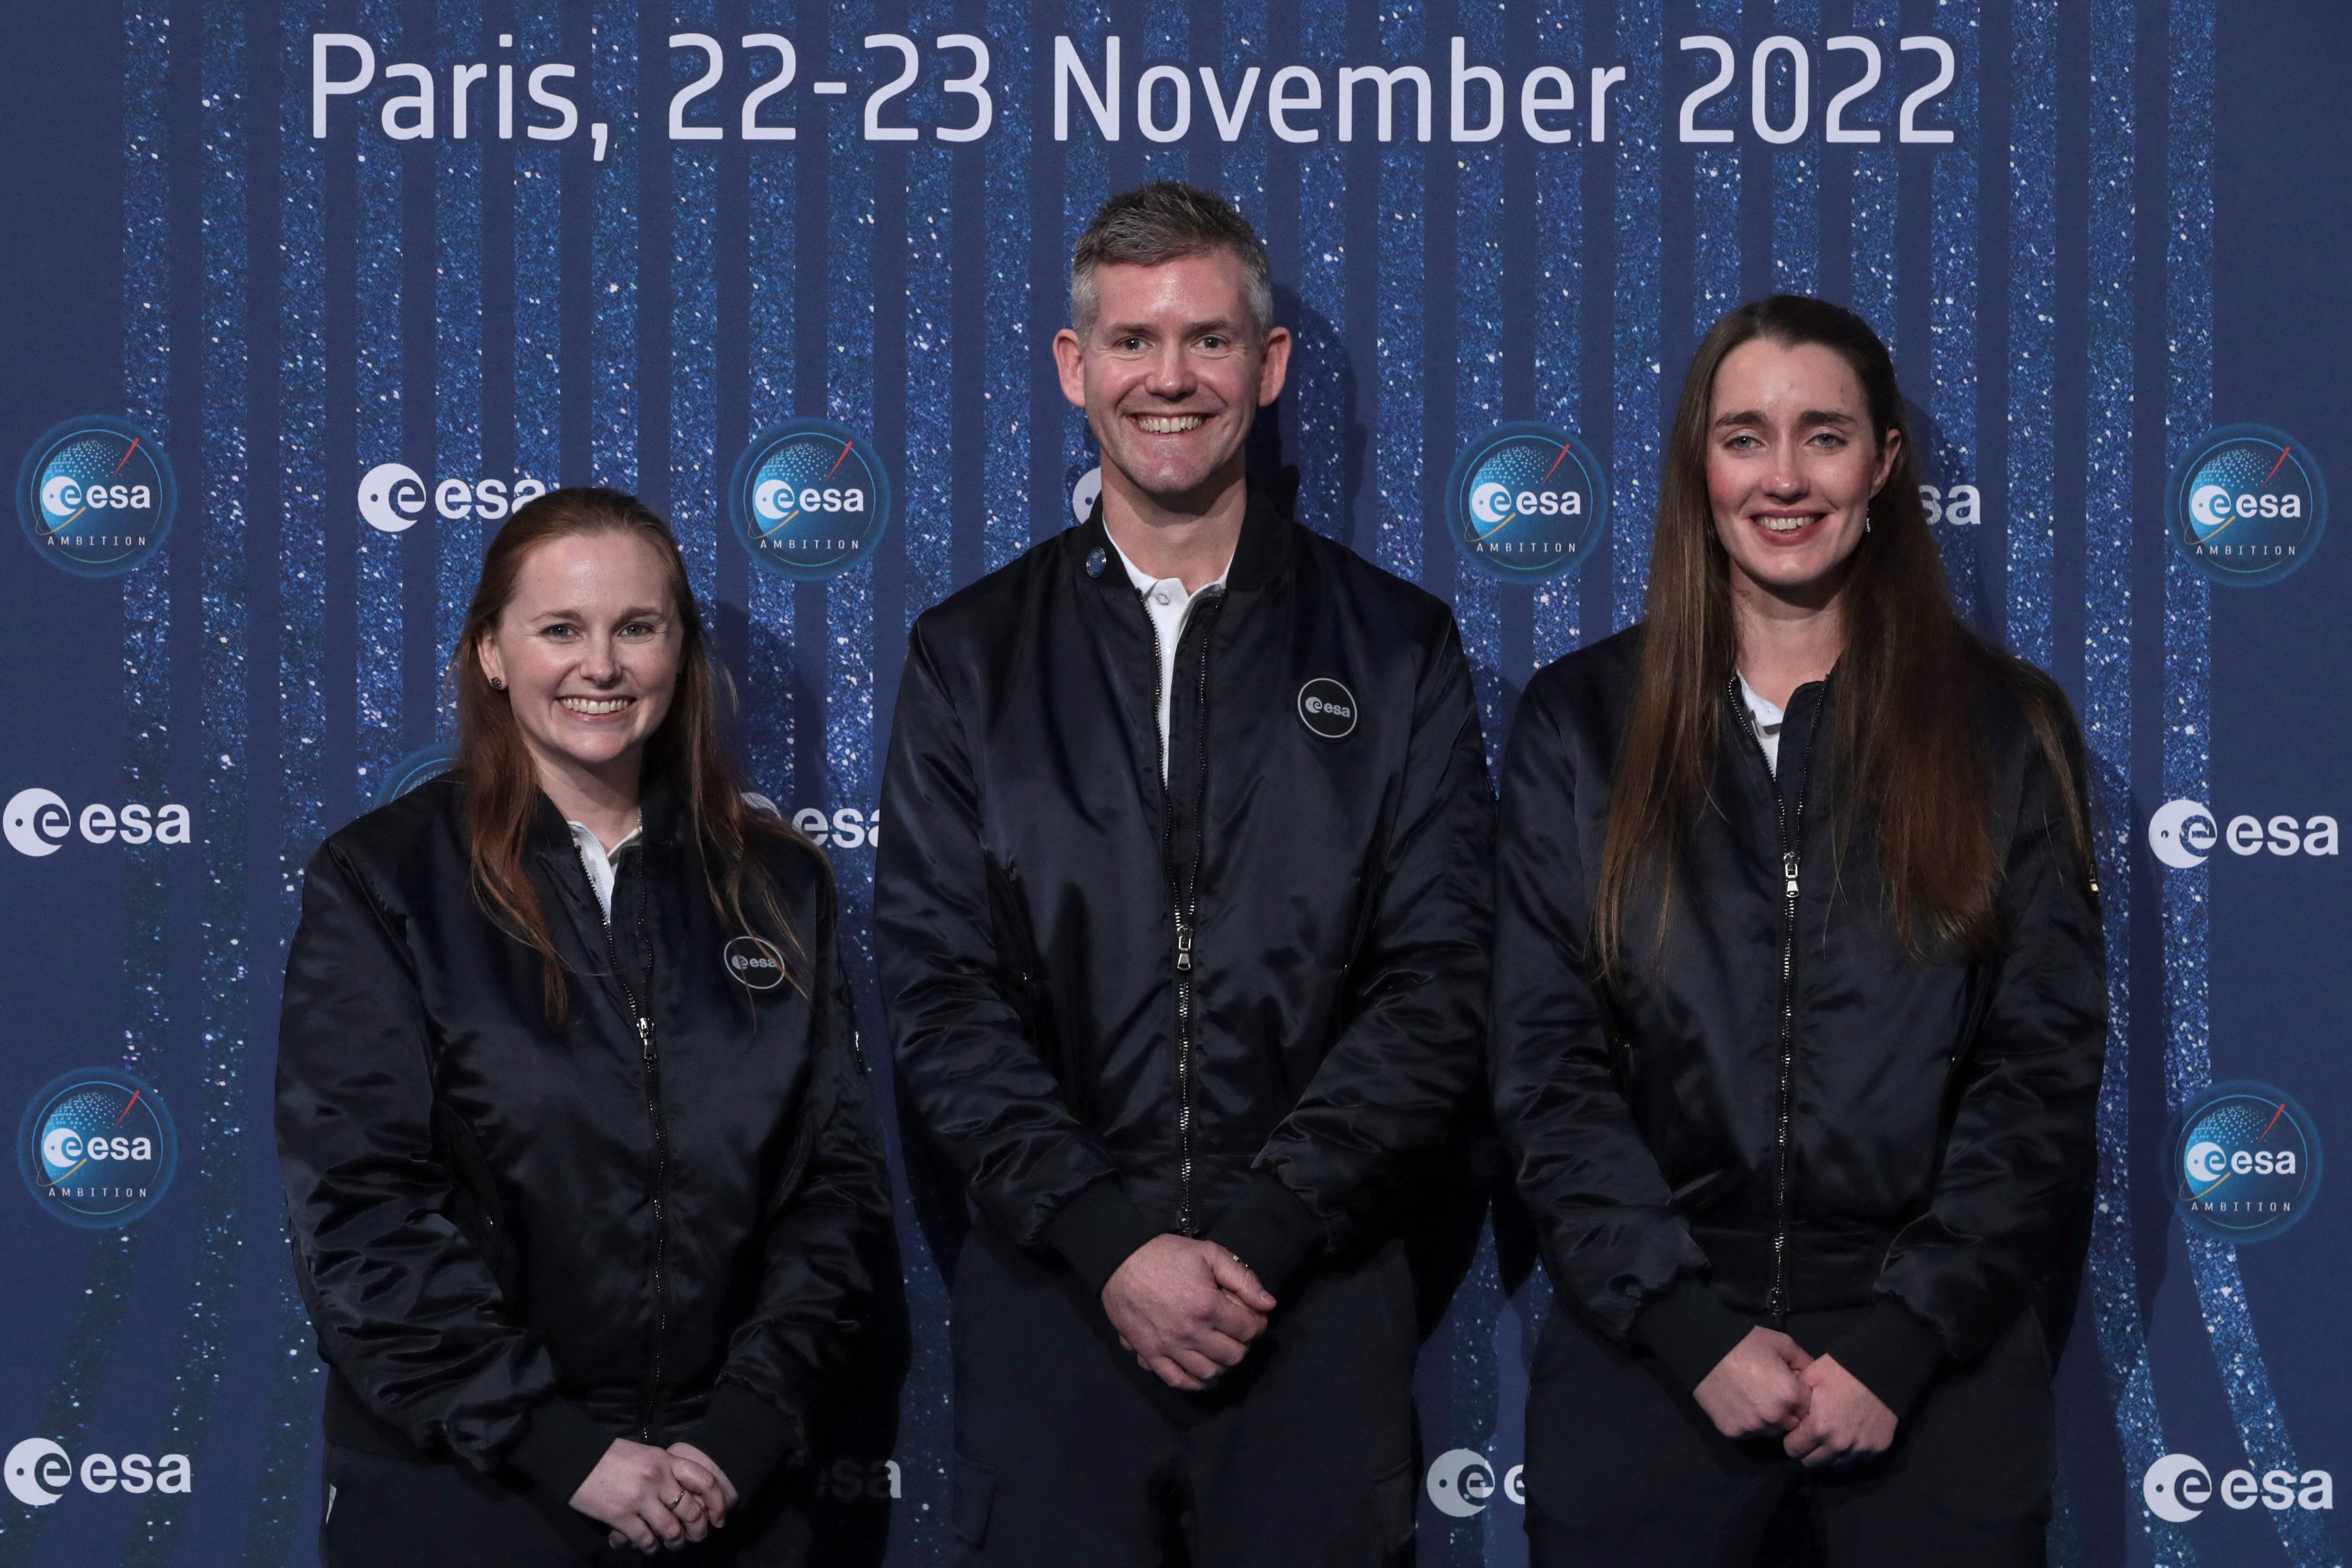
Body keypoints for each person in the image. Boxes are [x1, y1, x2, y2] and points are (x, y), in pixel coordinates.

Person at [877, 181, 1493, 1565]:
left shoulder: (1396, 648)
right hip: (1055, 1303)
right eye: (1135, 339)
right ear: (1072, 365)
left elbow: (1437, 983)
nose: (1170, 377)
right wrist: (1110, 1245)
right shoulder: (967, 655)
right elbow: (938, 991)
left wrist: (1264, 1234)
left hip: (1312, 1306)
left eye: (1208, 340)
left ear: (1265, 370)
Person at [1491, 296, 2104, 1566]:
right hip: (1651, 1367)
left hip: (1928, 1379)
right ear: (1696, 468)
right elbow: (1542, 1062)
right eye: (1744, 437)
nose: (1782, 477)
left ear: (1880, 464)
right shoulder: (1578, 724)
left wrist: (1899, 1336)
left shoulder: (2003, 728)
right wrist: (1684, 1324)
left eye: (1821, 436)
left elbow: (2036, 1074)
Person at [277, 488, 893, 1565]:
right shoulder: (383, 882)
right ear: (492, 655)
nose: (600, 666)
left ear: (679, 653)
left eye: (636, 629)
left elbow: (831, 1193)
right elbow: (362, 1211)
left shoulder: (777, 886)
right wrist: (560, 1446)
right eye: (561, 629)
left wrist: (740, 1430)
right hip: (471, 1489)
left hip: (725, 1493)